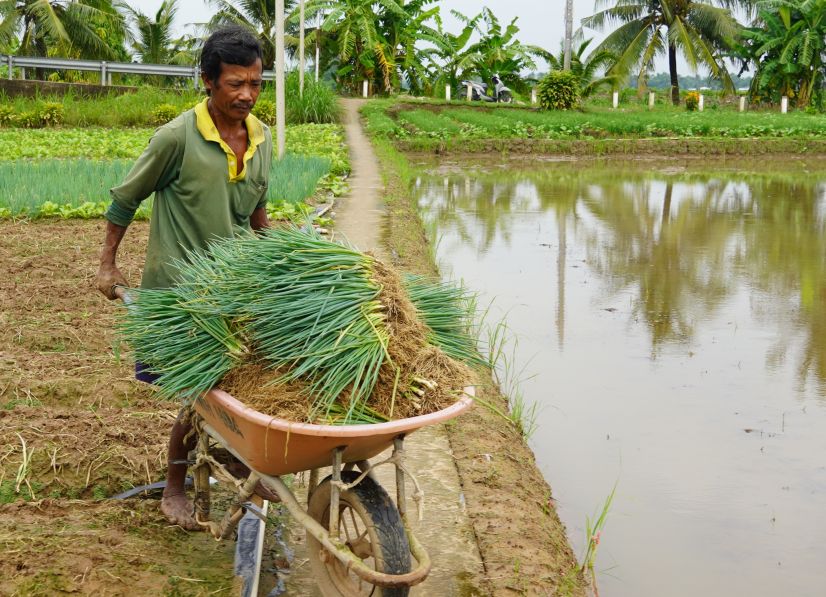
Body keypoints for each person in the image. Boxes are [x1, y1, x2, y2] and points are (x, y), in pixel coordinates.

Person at [96, 26, 271, 530]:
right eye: (235, 83)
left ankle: (239, 459)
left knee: (243, 385)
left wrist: (280, 265)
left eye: (255, 84)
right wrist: (108, 263)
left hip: (234, 290)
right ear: (208, 81)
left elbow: (257, 214)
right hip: (181, 295)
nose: (247, 94)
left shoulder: (261, 139)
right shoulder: (176, 138)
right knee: (202, 394)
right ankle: (175, 486)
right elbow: (125, 199)